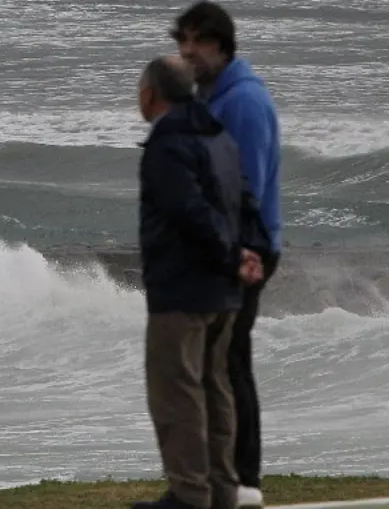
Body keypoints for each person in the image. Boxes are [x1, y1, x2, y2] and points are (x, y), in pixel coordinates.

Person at [132, 56, 271, 509]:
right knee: (215, 388)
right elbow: (246, 199)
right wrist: (251, 251)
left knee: (178, 391)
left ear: (152, 95)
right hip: (222, 292)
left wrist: (232, 257)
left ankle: (190, 494)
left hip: (184, 289)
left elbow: (189, 212)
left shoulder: (168, 146)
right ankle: (222, 489)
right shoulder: (219, 138)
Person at [171, 1, 282, 508]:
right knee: (210, 364)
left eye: (198, 41)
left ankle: (246, 480)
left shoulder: (244, 101)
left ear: (222, 46)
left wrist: (234, 253)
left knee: (230, 362)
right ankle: (220, 479)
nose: (188, 51)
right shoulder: (208, 96)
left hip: (246, 249)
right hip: (218, 248)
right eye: (183, 41)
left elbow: (247, 189)